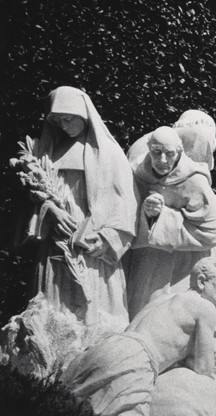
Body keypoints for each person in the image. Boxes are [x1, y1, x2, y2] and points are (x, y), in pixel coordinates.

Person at [63, 258, 216, 416]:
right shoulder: (205, 307)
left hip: (106, 347)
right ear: (201, 281)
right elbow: (203, 369)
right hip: (135, 360)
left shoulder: (161, 298)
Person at [15, 86, 137, 327]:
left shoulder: (108, 153)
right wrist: (50, 210)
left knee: (93, 309)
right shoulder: (48, 153)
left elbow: (125, 203)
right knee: (52, 310)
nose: (64, 125)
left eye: (68, 119)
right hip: (55, 237)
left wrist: (108, 237)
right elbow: (35, 198)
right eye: (58, 121)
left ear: (83, 115)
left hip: (90, 239)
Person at [127, 126, 216, 317]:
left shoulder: (194, 180)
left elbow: (213, 231)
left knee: (160, 312)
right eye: (156, 152)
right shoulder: (137, 171)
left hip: (177, 263)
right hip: (140, 254)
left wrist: (163, 216)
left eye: (169, 154)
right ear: (149, 149)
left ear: (179, 152)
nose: (162, 160)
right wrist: (145, 213)